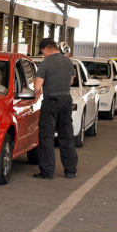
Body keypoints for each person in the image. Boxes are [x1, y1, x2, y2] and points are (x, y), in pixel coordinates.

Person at [33, 38, 77, 180]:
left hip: (51, 101)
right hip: (66, 100)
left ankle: (47, 172)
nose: (42, 55)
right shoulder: (68, 62)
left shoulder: (45, 63)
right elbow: (71, 81)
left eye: (42, 52)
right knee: (66, 136)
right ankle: (70, 171)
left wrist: (40, 88)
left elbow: (37, 87)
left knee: (47, 137)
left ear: (46, 49)